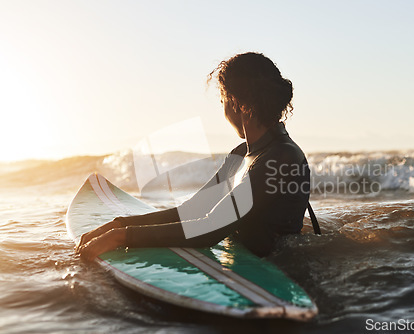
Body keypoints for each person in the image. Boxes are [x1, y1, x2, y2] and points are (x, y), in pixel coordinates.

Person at [77, 52, 311, 260]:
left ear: (237, 104)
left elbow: (211, 228)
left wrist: (121, 238)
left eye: (222, 102)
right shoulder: (241, 154)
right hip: (247, 259)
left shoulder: (281, 157)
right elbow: (193, 210)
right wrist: (120, 225)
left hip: (282, 269)